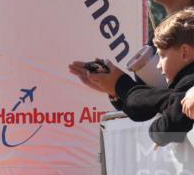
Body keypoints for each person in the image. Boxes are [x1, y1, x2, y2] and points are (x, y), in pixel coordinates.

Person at [76, 9, 194, 145]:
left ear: (184, 53)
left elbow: (170, 128)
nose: (158, 65)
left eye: (162, 56)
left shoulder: (188, 81)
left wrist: (156, 131)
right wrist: (118, 88)